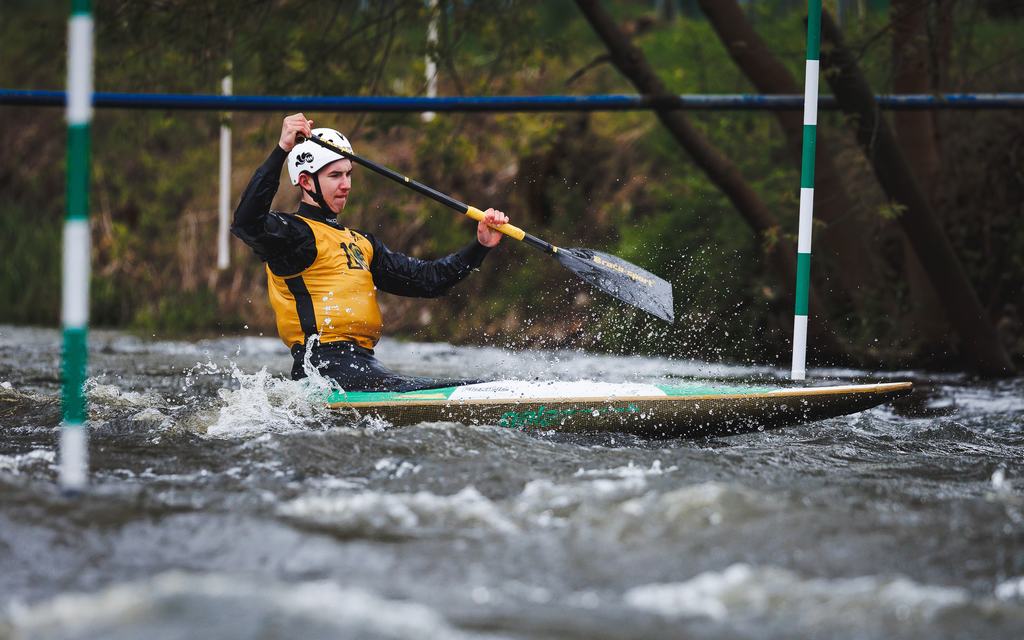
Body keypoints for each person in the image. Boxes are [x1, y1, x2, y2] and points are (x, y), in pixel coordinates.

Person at [232, 113, 509, 391]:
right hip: (322, 369)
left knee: (470, 385)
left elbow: (429, 280)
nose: (347, 185)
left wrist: (480, 246)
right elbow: (246, 223)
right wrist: (282, 150)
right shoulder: (294, 235)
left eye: (349, 174)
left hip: (363, 365)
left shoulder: (361, 243)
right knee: (466, 387)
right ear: (305, 182)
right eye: (335, 176)